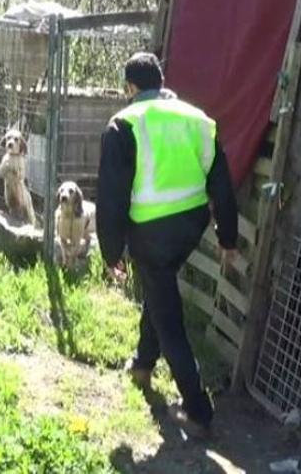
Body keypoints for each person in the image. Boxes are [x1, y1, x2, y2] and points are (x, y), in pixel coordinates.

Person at [97, 52, 239, 435]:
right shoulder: (198, 119)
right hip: (190, 226)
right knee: (158, 289)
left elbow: (111, 197)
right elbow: (222, 184)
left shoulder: (123, 124)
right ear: (160, 81)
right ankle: (143, 364)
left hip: (149, 231)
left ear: (130, 87)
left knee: (168, 317)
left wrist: (111, 252)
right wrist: (228, 237)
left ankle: (198, 410)